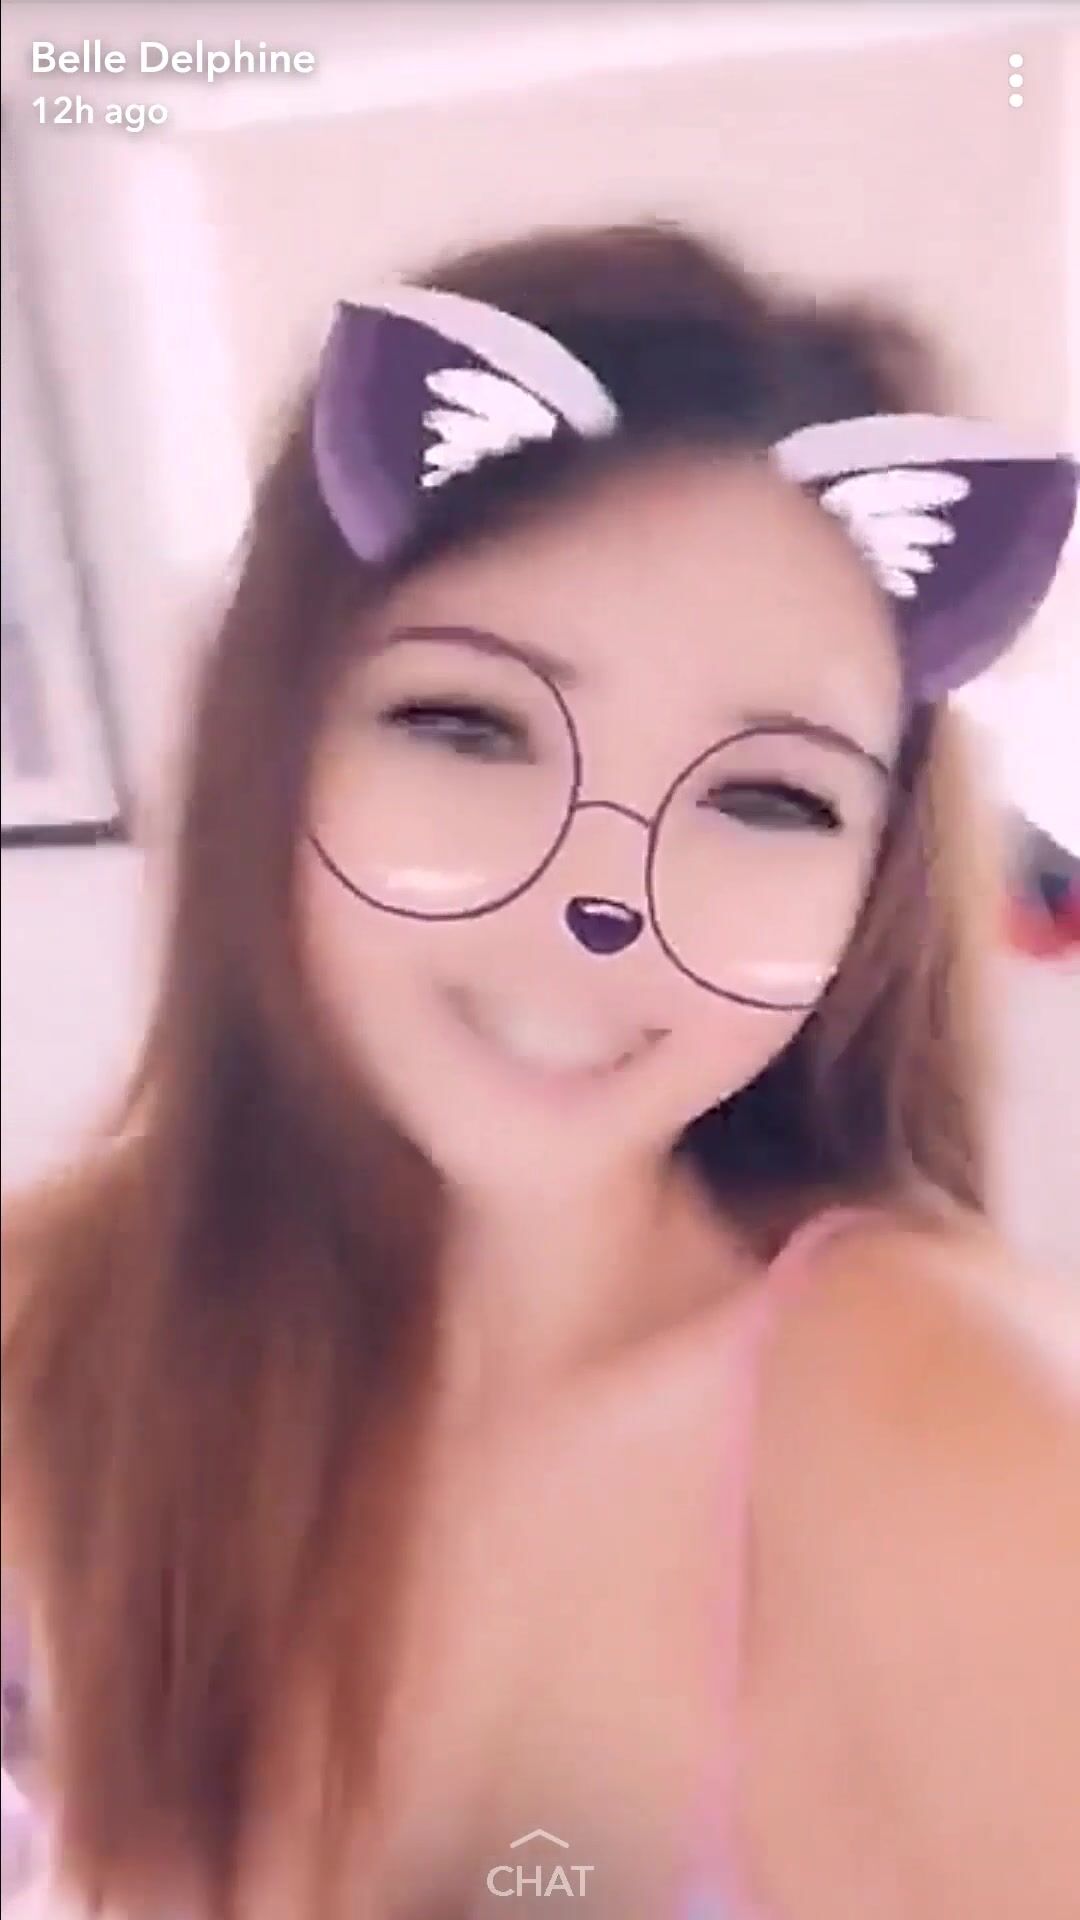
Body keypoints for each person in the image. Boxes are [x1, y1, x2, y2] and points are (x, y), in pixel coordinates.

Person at [2, 221, 1078, 1920]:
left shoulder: (951, 1439)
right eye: (470, 724)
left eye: (767, 796)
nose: (602, 899)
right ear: (273, 738)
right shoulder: (60, 1324)